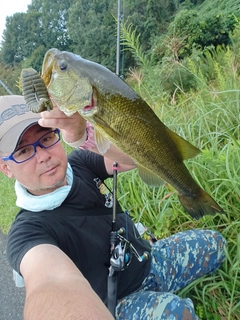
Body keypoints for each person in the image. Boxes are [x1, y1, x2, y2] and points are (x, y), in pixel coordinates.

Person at [0, 95, 227, 320]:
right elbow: (50, 284)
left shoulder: (80, 164)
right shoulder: (27, 233)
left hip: (148, 262)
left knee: (217, 244)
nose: (43, 156)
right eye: (23, 152)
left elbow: (134, 159)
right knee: (177, 313)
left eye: (47, 138)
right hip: (116, 302)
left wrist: (83, 136)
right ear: (6, 168)